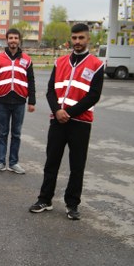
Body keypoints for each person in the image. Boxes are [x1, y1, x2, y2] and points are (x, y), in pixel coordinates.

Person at [29, 23, 104, 220]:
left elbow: (93, 96)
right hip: (57, 120)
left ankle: (72, 205)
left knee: (77, 165)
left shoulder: (96, 65)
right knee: (51, 162)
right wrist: (57, 111)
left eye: (81, 38)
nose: (77, 42)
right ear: (70, 39)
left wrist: (68, 113)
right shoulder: (60, 62)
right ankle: (45, 200)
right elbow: (50, 90)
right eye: (74, 38)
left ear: (88, 39)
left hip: (80, 122)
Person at [0, 28, 36, 174]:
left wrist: (32, 101)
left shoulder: (27, 60)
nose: (13, 40)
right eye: (10, 38)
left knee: (16, 133)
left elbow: (31, 81)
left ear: (19, 40)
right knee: (2, 133)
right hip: (3, 101)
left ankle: (14, 162)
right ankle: (0, 162)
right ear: (6, 40)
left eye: (15, 38)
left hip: (20, 101)